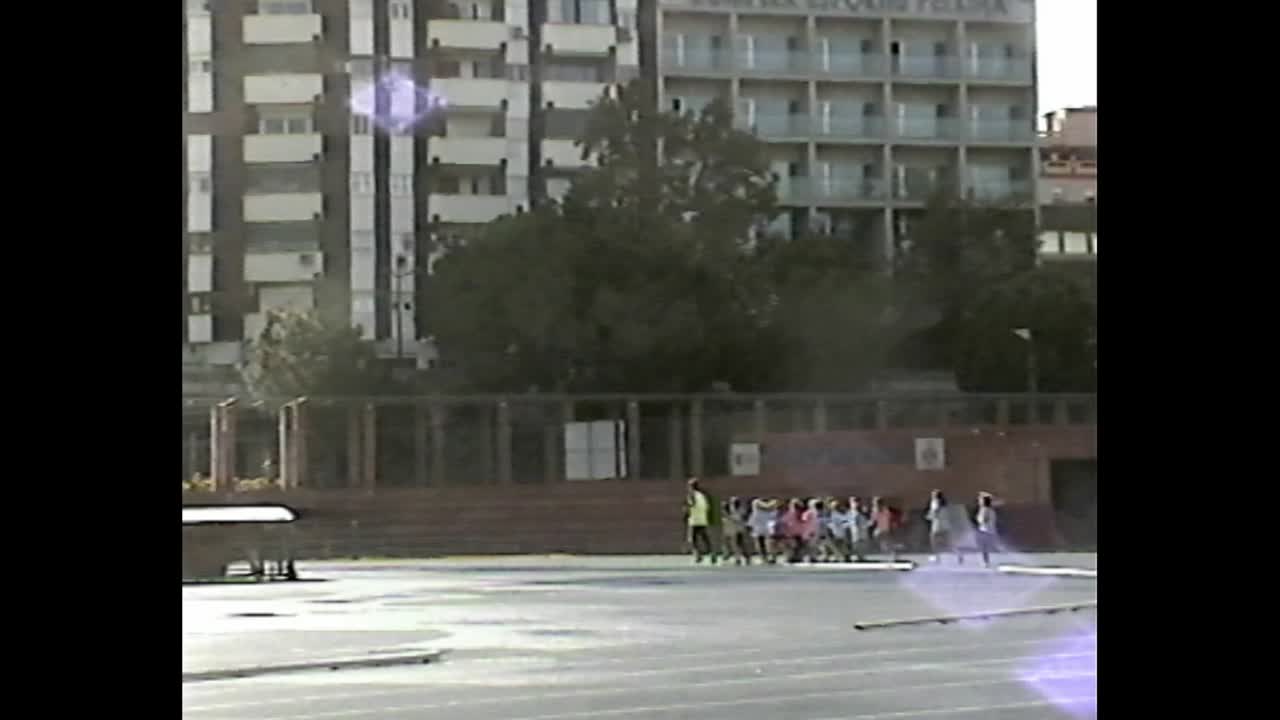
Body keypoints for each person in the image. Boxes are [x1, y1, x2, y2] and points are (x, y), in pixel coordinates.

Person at [926, 489, 963, 565]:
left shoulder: (935, 502)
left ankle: (936, 557)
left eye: (933, 494)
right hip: (946, 525)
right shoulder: (945, 503)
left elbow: (934, 513)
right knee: (950, 543)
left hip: (937, 525)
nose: (932, 496)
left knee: (933, 542)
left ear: (935, 496)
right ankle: (959, 554)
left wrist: (929, 516)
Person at [685, 478, 713, 564]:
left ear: (690, 486)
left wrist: (687, 509)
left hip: (694, 520)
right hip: (703, 519)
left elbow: (691, 505)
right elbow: (708, 506)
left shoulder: (691, 495)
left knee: (692, 539)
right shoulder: (703, 495)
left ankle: (698, 556)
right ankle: (712, 553)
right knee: (705, 538)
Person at [721, 497, 751, 565]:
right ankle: (741, 558)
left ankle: (741, 558)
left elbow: (736, 519)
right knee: (737, 544)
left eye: (733, 502)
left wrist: (726, 514)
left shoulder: (740, 510)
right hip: (735, 529)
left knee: (738, 544)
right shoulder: (734, 510)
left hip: (737, 529)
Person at [748, 497, 778, 564]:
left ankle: (764, 558)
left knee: (760, 544)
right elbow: (775, 519)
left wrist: (750, 527)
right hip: (768, 529)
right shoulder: (772, 511)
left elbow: (751, 522)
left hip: (758, 530)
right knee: (769, 543)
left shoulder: (756, 512)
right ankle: (772, 556)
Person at [975, 492, 999, 567]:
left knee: (983, 548)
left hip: (985, 531)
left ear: (983, 501)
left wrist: (978, 519)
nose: (979, 501)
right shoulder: (991, 510)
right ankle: (986, 561)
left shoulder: (984, 509)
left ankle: (985, 562)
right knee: (984, 549)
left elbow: (983, 520)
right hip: (990, 531)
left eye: (980, 500)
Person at [872, 497, 899, 562]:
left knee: (888, 543)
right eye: (877, 504)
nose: (878, 505)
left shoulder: (885, 511)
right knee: (884, 544)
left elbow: (890, 519)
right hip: (881, 530)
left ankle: (892, 556)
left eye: (879, 504)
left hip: (886, 530)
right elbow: (874, 519)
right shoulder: (877, 511)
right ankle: (889, 556)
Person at [827, 499, 854, 563]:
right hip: (837, 532)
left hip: (840, 533)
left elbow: (845, 523)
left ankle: (846, 557)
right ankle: (843, 557)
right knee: (838, 545)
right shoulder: (834, 514)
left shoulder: (839, 515)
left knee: (841, 545)